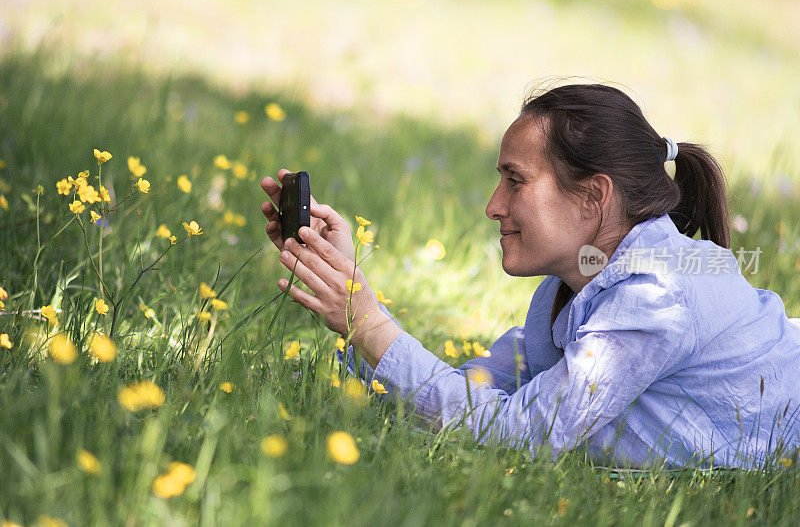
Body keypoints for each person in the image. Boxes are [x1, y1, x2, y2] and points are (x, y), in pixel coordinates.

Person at [260, 84, 800, 469]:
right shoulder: (580, 280)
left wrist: (371, 325)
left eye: (515, 182)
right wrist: (351, 294)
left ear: (592, 197)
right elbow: (467, 394)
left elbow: (521, 434)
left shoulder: (656, 299)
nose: (493, 206)